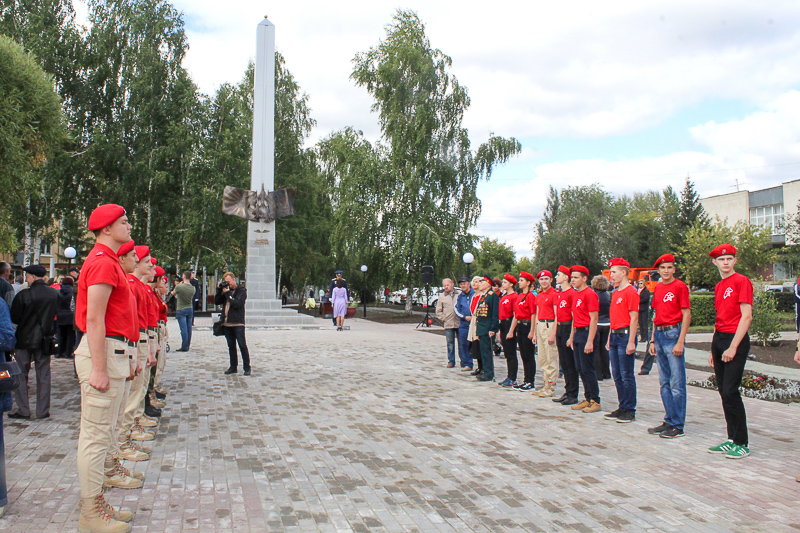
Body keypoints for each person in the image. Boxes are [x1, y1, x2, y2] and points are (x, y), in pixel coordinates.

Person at [74, 203, 136, 531]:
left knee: (103, 433)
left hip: (111, 351)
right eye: (124, 222)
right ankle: (90, 513)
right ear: (107, 229)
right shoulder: (102, 262)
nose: (129, 226)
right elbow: (94, 319)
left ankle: (97, 503)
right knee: (96, 437)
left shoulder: (108, 261)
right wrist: (98, 368)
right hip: (103, 352)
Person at [707, 244, 753, 459]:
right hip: (720, 338)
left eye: (729, 259)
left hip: (736, 338)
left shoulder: (742, 281)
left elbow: (747, 316)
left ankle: (742, 443)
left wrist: (733, 346)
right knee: (723, 392)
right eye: (721, 259)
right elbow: (720, 317)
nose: (725, 262)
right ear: (715, 262)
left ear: (735, 261)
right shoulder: (719, 286)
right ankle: (731, 438)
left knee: (731, 391)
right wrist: (713, 349)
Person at [647, 253, 691, 439]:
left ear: (674, 269)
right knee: (664, 382)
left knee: (676, 383)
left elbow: (686, 314)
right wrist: (652, 340)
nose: (666, 271)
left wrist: (680, 341)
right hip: (659, 334)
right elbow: (655, 314)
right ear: (658, 270)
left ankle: (678, 425)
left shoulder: (680, 286)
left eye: (669, 267)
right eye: (663, 268)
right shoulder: (658, 288)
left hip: (673, 334)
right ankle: (669, 419)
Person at [8, 264, 59, 420]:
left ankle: (23, 409)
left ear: (33, 277)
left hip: (24, 340)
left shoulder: (23, 295)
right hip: (45, 339)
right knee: (44, 375)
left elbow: (14, 318)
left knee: (21, 375)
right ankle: (43, 410)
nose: (27, 279)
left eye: (28, 276)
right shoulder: (54, 294)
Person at [604, 258, 639, 423]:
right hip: (614, 335)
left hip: (625, 335)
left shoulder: (631, 291)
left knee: (626, 374)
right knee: (617, 374)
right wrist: (609, 337)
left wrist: (631, 341)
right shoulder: (616, 292)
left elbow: (634, 317)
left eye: (614, 272)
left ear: (624, 272)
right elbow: (613, 317)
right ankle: (622, 405)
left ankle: (630, 409)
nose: (611, 275)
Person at [567, 265, 601, 413]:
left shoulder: (590, 294)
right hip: (578, 333)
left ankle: (595, 400)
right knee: (580, 368)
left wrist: (590, 340)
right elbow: (574, 317)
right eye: (572, 277)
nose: (573, 280)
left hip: (587, 332)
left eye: (576, 277)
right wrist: (572, 336)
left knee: (588, 369)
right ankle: (587, 398)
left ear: (584, 278)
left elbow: (594, 318)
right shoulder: (576, 294)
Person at [553, 266, 579, 406]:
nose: (556, 277)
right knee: (563, 362)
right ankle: (568, 391)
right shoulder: (560, 293)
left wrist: (571, 335)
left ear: (565, 277)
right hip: (560, 327)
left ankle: (573, 393)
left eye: (559, 275)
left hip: (568, 327)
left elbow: (574, 316)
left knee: (570, 363)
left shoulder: (571, 293)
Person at [215, 272, 251, 375]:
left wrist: (228, 294)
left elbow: (237, 303)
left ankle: (247, 367)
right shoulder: (226, 290)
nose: (228, 284)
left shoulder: (241, 290)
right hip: (227, 323)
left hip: (238, 323)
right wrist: (219, 290)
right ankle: (233, 366)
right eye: (226, 282)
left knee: (242, 345)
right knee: (231, 346)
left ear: (234, 279)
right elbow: (217, 301)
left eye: (229, 282)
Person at [532, 270, 559, 397]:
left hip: (550, 324)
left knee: (550, 357)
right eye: (541, 279)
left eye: (546, 279)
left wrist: (553, 333)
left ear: (551, 280)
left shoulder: (554, 294)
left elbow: (557, 315)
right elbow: (537, 313)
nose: (544, 281)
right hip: (540, 325)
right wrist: (535, 333)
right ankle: (545, 384)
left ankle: (551, 385)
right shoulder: (539, 295)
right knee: (542, 357)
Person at [508, 271, 536, 390]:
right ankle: (526, 379)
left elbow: (533, 314)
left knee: (529, 355)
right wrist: (511, 330)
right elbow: (516, 314)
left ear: (528, 283)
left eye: (522, 280)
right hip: (520, 325)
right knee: (523, 354)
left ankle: (530, 381)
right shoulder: (520, 296)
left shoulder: (531, 296)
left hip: (527, 325)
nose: (519, 283)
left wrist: (532, 331)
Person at [473, 275, 500, 381]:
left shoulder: (492, 295)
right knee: (483, 351)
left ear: (488, 284)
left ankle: (489, 373)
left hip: (488, 328)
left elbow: (495, 313)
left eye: (481, 282)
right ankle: (485, 370)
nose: (479, 284)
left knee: (487, 352)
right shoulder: (484, 295)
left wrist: (493, 328)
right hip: (482, 327)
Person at [496, 274, 518, 386]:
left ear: (511, 284)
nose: (503, 284)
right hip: (503, 324)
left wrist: (511, 330)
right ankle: (509, 376)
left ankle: (512, 378)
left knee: (511, 352)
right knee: (507, 352)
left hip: (510, 323)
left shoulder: (514, 296)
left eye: (505, 282)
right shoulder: (505, 296)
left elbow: (515, 314)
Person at [435, 278, 460, 368]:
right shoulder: (442, 296)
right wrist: (444, 318)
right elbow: (438, 311)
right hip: (448, 323)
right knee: (450, 344)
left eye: (447, 285)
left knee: (462, 343)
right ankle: (451, 361)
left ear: (452, 284)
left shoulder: (459, 294)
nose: (446, 287)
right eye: (444, 285)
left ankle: (464, 361)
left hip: (459, 323)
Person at [592, 275, 612, 381]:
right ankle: (606, 372)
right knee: (604, 349)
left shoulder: (594, 295)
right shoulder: (608, 295)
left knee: (596, 349)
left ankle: (598, 373)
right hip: (607, 323)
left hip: (597, 323)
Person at [453, 277, 474, 372]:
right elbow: (456, 309)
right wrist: (464, 317)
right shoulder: (460, 296)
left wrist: (474, 317)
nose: (463, 286)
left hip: (475, 322)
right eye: (461, 284)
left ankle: (481, 365)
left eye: (464, 283)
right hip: (464, 323)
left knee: (476, 344)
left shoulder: (475, 294)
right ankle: (467, 363)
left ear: (469, 284)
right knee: (463, 344)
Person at [171, 271, 195, 352]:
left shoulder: (179, 287)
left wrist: (177, 285)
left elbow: (173, 293)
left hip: (181, 308)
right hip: (190, 308)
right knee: (189, 328)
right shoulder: (193, 288)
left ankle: (184, 346)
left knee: (183, 329)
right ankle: (187, 344)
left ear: (183, 277)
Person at [467, 276, 484, 376]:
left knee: (480, 344)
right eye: (473, 281)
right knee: (475, 345)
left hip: (479, 321)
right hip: (473, 321)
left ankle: (483, 367)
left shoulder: (482, 296)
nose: (474, 284)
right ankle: (479, 366)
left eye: (477, 282)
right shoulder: (474, 296)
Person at [56, 276, 76, 359]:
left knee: (60, 334)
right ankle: (68, 353)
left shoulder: (58, 292)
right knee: (70, 335)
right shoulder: (73, 292)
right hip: (70, 315)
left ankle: (59, 352)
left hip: (60, 315)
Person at [638, 280, 655, 375]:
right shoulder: (654, 296)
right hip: (654, 324)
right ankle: (645, 368)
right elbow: (652, 309)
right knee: (650, 346)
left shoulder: (647, 292)